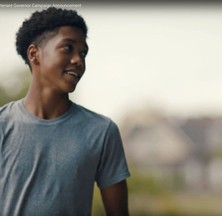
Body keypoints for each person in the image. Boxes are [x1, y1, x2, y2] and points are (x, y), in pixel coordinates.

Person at [0, 7, 130, 216]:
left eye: (83, 53)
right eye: (67, 48)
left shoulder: (102, 131)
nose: (79, 60)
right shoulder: (3, 125)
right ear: (35, 54)